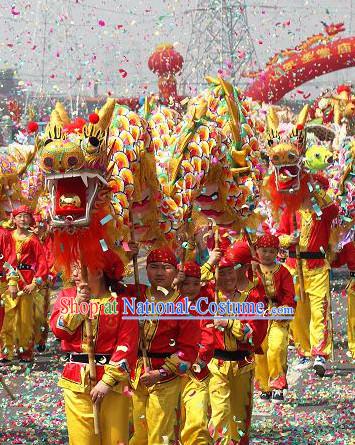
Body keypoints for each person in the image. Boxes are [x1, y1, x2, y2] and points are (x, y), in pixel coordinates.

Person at [50, 254, 138, 445]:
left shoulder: (122, 303)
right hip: (77, 382)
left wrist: (107, 382)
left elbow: (128, 344)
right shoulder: (66, 297)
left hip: (113, 385)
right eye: (71, 267)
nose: (73, 273)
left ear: (98, 271)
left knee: (116, 440)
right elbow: (59, 331)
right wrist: (79, 306)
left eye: (79, 267)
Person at [127, 247, 200, 445]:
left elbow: (189, 349)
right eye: (154, 267)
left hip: (165, 379)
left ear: (176, 272)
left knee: (161, 436)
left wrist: (160, 373)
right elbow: (109, 277)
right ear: (146, 269)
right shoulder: (136, 294)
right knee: (136, 435)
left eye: (166, 268)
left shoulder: (184, 306)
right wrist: (126, 254)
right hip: (135, 377)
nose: (159, 273)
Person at [203, 241, 268, 445]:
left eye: (231, 271)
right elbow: (185, 285)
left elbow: (255, 336)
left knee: (239, 422)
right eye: (222, 271)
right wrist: (208, 263)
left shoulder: (254, 296)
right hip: (215, 366)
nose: (228, 277)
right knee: (219, 415)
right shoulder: (209, 294)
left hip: (243, 365)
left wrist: (230, 323)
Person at [277, 175, 338, 376]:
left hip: (318, 267)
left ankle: (319, 353)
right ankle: (303, 352)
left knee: (320, 311)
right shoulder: (290, 212)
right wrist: (288, 240)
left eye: (317, 188)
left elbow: (334, 209)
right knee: (298, 314)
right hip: (294, 268)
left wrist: (315, 187)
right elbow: (279, 236)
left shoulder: (324, 211)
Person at [0, 205, 48, 363]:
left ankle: (25, 351)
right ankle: (6, 351)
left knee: (25, 318)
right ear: (13, 219)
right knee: (8, 316)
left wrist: (35, 283)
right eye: (19, 216)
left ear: (30, 219)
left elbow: (42, 263)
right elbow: (6, 259)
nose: (23, 219)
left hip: (27, 279)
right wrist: (10, 278)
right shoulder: (7, 236)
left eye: (26, 216)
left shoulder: (33, 239)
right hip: (10, 279)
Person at [253, 234, 296, 402]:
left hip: (278, 314)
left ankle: (278, 384)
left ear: (277, 252)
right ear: (257, 251)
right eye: (264, 251)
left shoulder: (283, 271)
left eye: (272, 251)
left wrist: (281, 310)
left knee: (276, 347)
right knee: (260, 350)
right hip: (258, 314)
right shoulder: (252, 269)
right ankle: (265, 386)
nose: (267, 255)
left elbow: (289, 295)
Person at [177, 261, 215, 445]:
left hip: (196, 372)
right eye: (186, 284)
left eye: (195, 283)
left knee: (197, 421)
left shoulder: (205, 303)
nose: (191, 288)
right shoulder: (167, 303)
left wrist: (200, 359)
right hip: (170, 374)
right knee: (173, 424)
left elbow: (209, 335)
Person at [331, 237, 354, 360]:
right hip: (354, 286)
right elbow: (335, 262)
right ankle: (354, 348)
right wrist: (331, 250)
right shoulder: (349, 246)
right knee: (353, 319)